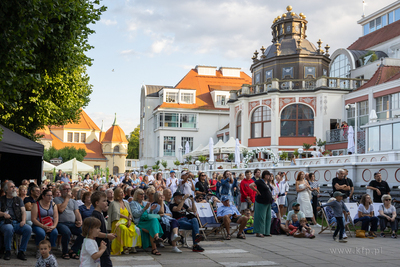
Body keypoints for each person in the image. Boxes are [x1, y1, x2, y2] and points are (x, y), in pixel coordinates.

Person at [0, 181, 32, 260]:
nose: (14, 188)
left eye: (14, 186)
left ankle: (21, 252)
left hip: (17, 222)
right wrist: (4, 214)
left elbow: (23, 211)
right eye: (11, 187)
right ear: (6, 190)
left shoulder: (18, 199)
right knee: (9, 228)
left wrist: (23, 221)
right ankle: (8, 251)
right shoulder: (1, 199)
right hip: (5, 222)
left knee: (28, 229)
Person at [54, 183, 84, 260]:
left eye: (69, 189)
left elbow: (77, 212)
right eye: (65, 189)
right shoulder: (57, 199)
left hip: (72, 223)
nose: (68, 191)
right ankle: (65, 252)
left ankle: (73, 250)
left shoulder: (73, 201)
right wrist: (67, 198)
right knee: (67, 232)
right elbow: (61, 209)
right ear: (61, 191)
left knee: (84, 232)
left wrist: (80, 221)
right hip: (61, 223)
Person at [130, 189, 164, 255]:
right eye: (141, 194)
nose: (143, 195)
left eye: (143, 194)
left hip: (147, 220)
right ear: (136, 195)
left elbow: (149, 214)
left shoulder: (145, 203)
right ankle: (155, 246)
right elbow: (135, 214)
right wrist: (144, 209)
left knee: (154, 220)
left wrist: (151, 210)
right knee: (153, 225)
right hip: (140, 222)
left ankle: (156, 240)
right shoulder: (133, 203)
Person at [108, 187, 140, 255]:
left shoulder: (126, 203)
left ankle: (131, 246)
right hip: (117, 222)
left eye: (123, 192)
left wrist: (129, 220)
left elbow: (130, 213)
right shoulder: (113, 203)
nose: (122, 193)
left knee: (136, 229)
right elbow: (116, 214)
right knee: (124, 229)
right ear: (116, 194)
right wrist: (127, 218)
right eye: (120, 192)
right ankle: (125, 247)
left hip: (127, 221)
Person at [91, 191, 117, 267]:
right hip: (100, 244)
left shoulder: (100, 214)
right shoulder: (95, 215)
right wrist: (107, 235)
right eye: (104, 201)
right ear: (97, 203)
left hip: (104, 245)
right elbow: (95, 233)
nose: (106, 203)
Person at [31, 189, 59, 258]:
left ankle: (50, 250)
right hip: (38, 224)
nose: (50, 197)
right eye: (48, 195)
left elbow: (56, 217)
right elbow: (33, 219)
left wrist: (54, 226)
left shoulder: (53, 204)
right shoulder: (36, 204)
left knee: (54, 232)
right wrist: (43, 226)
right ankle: (39, 250)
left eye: (51, 195)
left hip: (50, 225)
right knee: (41, 233)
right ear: (43, 196)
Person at [249, 170, 273, 238]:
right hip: (261, 201)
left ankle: (266, 231)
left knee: (268, 217)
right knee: (261, 217)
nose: (268, 176)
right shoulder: (259, 181)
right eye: (267, 175)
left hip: (268, 201)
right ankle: (259, 232)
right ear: (264, 175)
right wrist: (257, 191)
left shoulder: (267, 182)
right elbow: (251, 185)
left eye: (269, 175)